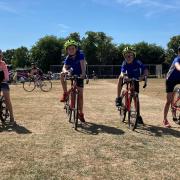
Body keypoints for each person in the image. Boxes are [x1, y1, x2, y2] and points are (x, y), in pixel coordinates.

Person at [115, 46, 148, 123]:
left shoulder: (138, 62)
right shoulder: (124, 63)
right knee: (120, 77)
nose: (128, 57)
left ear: (134, 56)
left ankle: (138, 115)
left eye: (130, 56)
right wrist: (124, 76)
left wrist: (143, 76)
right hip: (127, 77)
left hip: (135, 79)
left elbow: (145, 70)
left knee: (135, 97)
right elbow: (122, 72)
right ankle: (118, 98)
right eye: (126, 56)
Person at [60, 39, 86, 122]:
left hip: (80, 74)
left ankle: (81, 113)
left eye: (73, 48)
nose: (71, 50)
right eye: (69, 49)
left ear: (76, 49)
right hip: (72, 73)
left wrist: (83, 74)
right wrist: (65, 71)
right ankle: (65, 93)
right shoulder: (68, 57)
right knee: (61, 74)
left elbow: (83, 64)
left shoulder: (80, 54)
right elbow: (64, 67)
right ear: (67, 50)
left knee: (80, 95)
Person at [163, 46, 180, 128]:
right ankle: (165, 119)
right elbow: (178, 66)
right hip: (170, 80)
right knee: (169, 101)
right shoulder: (177, 59)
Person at [0, 49, 15, 125]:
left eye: (0, 55)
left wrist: (6, 79)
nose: (0, 57)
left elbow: (6, 74)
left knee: (7, 99)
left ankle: (12, 116)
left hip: (3, 82)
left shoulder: (3, 64)